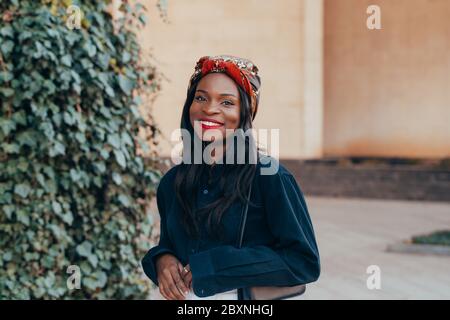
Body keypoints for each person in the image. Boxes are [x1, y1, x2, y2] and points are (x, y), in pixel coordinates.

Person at [142, 55, 320, 300]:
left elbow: (303, 262)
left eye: (227, 102)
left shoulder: (270, 177)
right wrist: (161, 258)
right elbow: (171, 244)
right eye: (201, 97)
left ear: (245, 113)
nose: (209, 109)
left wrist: (216, 264)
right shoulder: (172, 183)